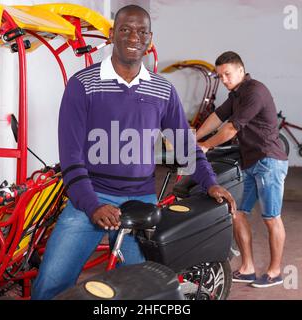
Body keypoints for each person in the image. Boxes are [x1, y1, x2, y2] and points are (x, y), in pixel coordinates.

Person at [31, 5, 236, 300]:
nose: (133, 37)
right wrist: (92, 205)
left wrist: (210, 182)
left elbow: (184, 145)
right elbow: (71, 157)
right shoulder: (82, 85)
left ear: (149, 38)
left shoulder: (162, 90)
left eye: (141, 31)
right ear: (113, 34)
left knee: (151, 290)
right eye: (125, 29)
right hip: (89, 199)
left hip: (140, 201)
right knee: (50, 286)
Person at [196, 51, 288, 288]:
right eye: (220, 76)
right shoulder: (236, 94)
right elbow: (218, 117)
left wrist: (205, 145)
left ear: (240, 70)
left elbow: (231, 129)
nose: (224, 79)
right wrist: (194, 137)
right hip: (250, 162)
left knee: (271, 218)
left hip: (269, 161)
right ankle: (247, 268)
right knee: (237, 213)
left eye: (227, 74)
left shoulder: (254, 91)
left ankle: (276, 271)